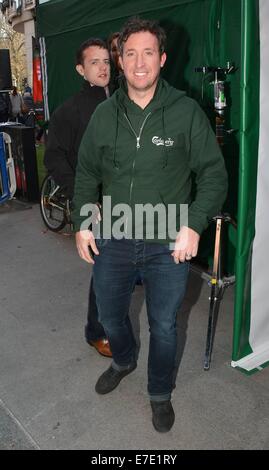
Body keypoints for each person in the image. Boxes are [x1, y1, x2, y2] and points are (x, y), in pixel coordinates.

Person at [72, 17, 228, 432]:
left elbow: (213, 174)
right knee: (108, 314)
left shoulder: (185, 111)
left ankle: (160, 392)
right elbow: (87, 173)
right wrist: (85, 222)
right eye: (129, 54)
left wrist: (194, 224)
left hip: (168, 242)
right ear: (120, 62)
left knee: (163, 324)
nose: (139, 63)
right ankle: (123, 360)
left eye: (147, 53)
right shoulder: (105, 115)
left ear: (161, 58)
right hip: (116, 236)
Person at [44, 38, 112, 358]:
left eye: (106, 61)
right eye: (95, 62)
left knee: (119, 268)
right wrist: (82, 197)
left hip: (128, 199)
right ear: (80, 69)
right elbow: (54, 158)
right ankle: (96, 332)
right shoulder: (70, 110)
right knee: (104, 270)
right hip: (96, 203)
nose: (103, 67)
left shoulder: (125, 99)